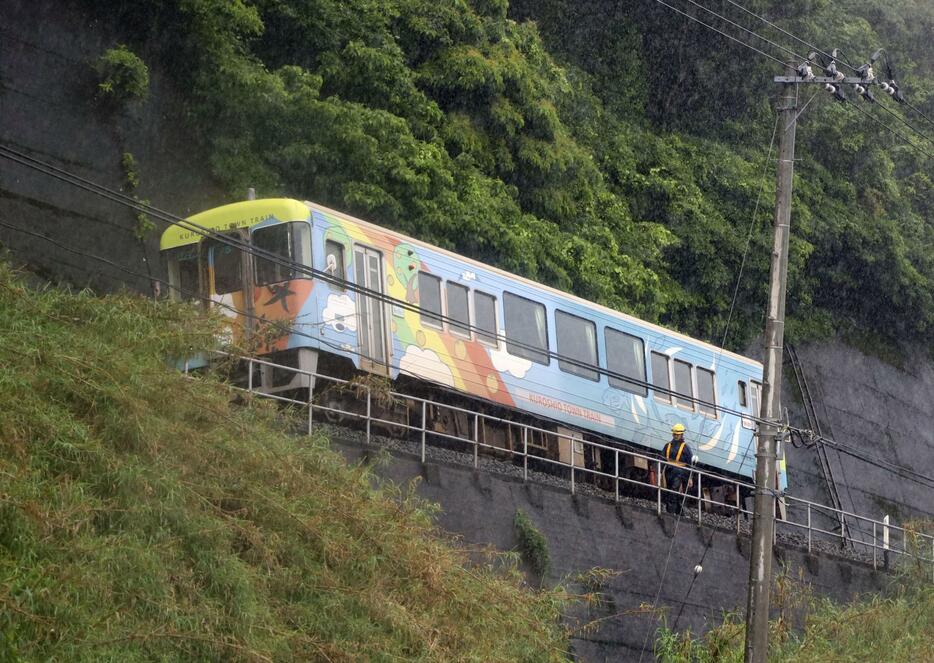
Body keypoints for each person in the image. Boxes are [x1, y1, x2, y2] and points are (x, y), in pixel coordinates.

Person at [663, 423, 697, 515]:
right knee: (670, 491)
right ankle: (679, 512)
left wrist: (690, 477)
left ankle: (670, 512)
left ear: (681, 434)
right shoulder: (667, 446)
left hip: (679, 473)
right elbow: (662, 459)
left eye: (677, 434)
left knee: (673, 492)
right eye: (674, 434)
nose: (675, 436)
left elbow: (690, 463)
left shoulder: (685, 447)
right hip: (668, 472)